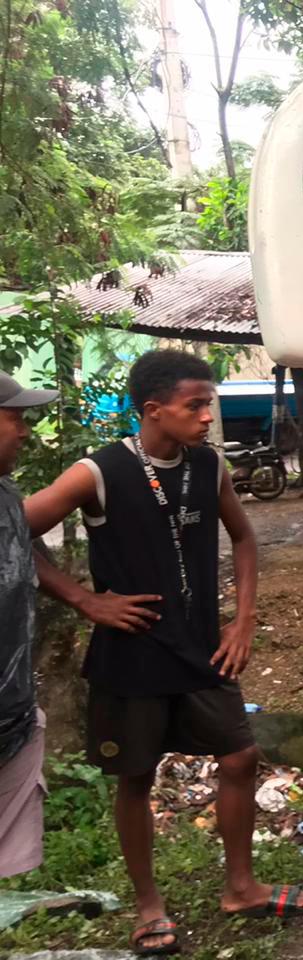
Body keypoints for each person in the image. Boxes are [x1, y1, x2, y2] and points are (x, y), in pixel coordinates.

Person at [26, 350, 303, 957]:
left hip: (200, 649)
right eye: (197, 405)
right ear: (153, 410)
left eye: (208, 403)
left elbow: (242, 535)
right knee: (136, 777)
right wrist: (85, 599)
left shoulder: (208, 466)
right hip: (130, 655)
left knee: (239, 758)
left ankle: (241, 886)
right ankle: (148, 906)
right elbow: (13, 529)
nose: (208, 415)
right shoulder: (97, 472)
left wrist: (243, 619)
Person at [0, 372, 58, 881]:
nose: (25, 431)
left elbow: (22, 551)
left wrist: (84, 598)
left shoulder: (5, 491)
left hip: (11, 720)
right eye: (14, 418)